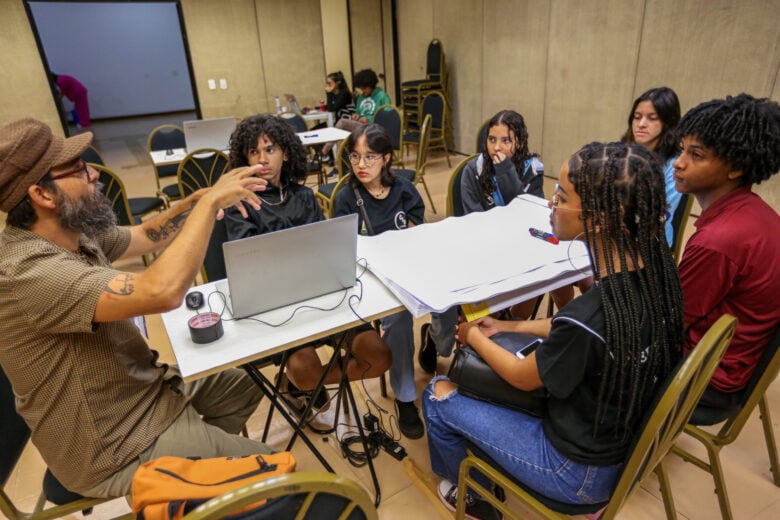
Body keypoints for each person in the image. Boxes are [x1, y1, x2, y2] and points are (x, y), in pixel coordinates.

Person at [0, 118, 272, 498]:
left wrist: (199, 199)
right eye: (78, 169)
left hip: (140, 395)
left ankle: (190, 490)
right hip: (114, 444)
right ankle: (191, 481)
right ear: (42, 195)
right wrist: (209, 205)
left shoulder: (69, 233)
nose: (94, 173)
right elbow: (162, 290)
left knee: (242, 388)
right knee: (278, 477)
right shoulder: (30, 272)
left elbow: (146, 235)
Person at [423, 142, 684, 520]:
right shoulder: (654, 282)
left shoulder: (589, 317)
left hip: (574, 473)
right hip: (620, 448)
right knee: (503, 356)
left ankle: (466, 495)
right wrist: (509, 324)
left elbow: (522, 377)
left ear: (596, 218)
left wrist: (475, 336)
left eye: (561, 196)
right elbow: (569, 328)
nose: (551, 203)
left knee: (438, 392)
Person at [223, 114, 391, 423]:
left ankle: (302, 387)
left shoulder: (303, 197)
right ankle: (300, 384)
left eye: (270, 149)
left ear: (286, 153)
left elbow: (325, 251)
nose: (262, 159)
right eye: (253, 151)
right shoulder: (240, 204)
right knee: (304, 370)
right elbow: (248, 266)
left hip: (321, 295)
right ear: (243, 159)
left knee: (380, 356)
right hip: (275, 307)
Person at [419, 110, 547, 374]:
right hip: (481, 249)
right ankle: (434, 337)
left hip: (518, 248)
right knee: (454, 290)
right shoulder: (473, 171)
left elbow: (528, 212)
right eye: (491, 139)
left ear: (519, 142)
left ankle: (503, 334)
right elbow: (477, 223)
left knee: (537, 281)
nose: (496, 147)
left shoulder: (532, 169)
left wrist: (506, 172)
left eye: (506, 140)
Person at [674, 93, 780, 409]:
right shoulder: (758, 213)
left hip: (705, 378)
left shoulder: (719, 240)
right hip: (738, 363)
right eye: (682, 150)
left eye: (696, 155)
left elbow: (667, 322)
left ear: (734, 168)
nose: (679, 163)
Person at [333, 123, 426, 439]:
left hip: (409, 270)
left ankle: (435, 340)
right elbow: (341, 251)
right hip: (370, 281)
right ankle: (405, 397)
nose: (361, 165)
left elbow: (417, 237)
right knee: (399, 318)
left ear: (386, 158)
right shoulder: (346, 198)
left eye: (369, 157)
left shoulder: (404, 190)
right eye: (355, 157)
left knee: (451, 303)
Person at [621, 86, 682, 245]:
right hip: (618, 233)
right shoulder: (623, 152)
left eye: (652, 118)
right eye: (637, 117)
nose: (641, 124)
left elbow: (658, 214)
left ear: (668, 123)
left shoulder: (675, 165)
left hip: (651, 244)